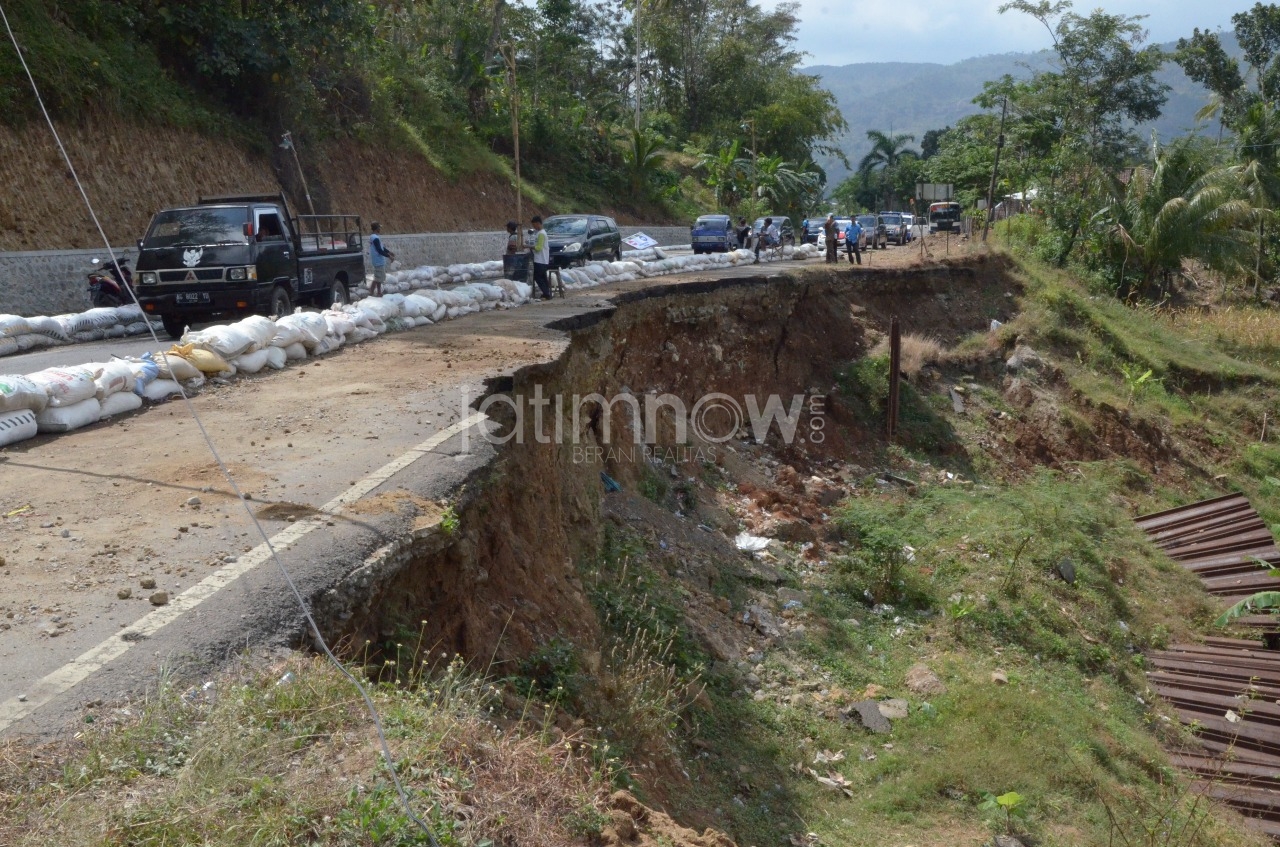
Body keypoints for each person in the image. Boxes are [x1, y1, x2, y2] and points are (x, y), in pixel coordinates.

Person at [368, 221, 395, 297]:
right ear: (377, 229)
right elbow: (379, 250)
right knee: (377, 278)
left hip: (378, 260)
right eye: (379, 227)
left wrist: (389, 252)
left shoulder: (374, 237)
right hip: (378, 260)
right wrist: (389, 256)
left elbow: (381, 247)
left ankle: (379, 292)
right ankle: (371, 291)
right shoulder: (375, 238)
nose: (380, 229)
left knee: (379, 277)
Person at [530, 215, 551, 300]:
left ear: (538, 223)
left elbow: (538, 247)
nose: (534, 227)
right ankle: (547, 293)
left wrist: (529, 246)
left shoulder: (541, 234)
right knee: (543, 277)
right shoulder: (540, 233)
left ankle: (546, 293)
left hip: (540, 259)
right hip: (543, 259)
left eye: (534, 225)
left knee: (538, 277)